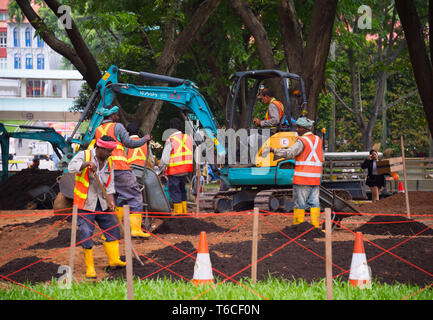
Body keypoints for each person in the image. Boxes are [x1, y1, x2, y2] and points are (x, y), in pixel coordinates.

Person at [68, 135, 125, 278]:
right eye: (108, 151)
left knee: (113, 228)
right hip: (86, 204)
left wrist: (111, 201)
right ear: (99, 148)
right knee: (86, 233)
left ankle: (114, 260)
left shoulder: (109, 162)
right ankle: (90, 267)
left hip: (103, 203)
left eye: (111, 151)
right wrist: (86, 164)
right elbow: (71, 168)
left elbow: (110, 185)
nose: (110, 153)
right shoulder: (84, 155)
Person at [93, 105, 152, 239]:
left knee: (116, 199)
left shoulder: (98, 130)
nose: (118, 117)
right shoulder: (117, 127)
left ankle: (112, 230)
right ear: (112, 116)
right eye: (117, 115)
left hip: (106, 169)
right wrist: (145, 139)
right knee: (135, 196)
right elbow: (130, 143)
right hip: (120, 168)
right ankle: (135, 229)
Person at [265, 117, 323, 228]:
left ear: (304, 128)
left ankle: (298, 227)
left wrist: (274, 150)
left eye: (299, 127)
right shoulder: (317, 139)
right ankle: (315, 227)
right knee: (314, 203)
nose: (297, 130)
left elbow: (290, 153)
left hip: (302, 179)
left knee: (300, 204)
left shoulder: (302, 141)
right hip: (315, 178)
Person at [159, 117, 193, 215]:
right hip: (185, 169)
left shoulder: (171, 139)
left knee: (175, 191)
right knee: (183, 190)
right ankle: (184, 213)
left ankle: (178, 215)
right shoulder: (188, 138)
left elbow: (165, 158)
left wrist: (160, 169)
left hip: (174, 170)